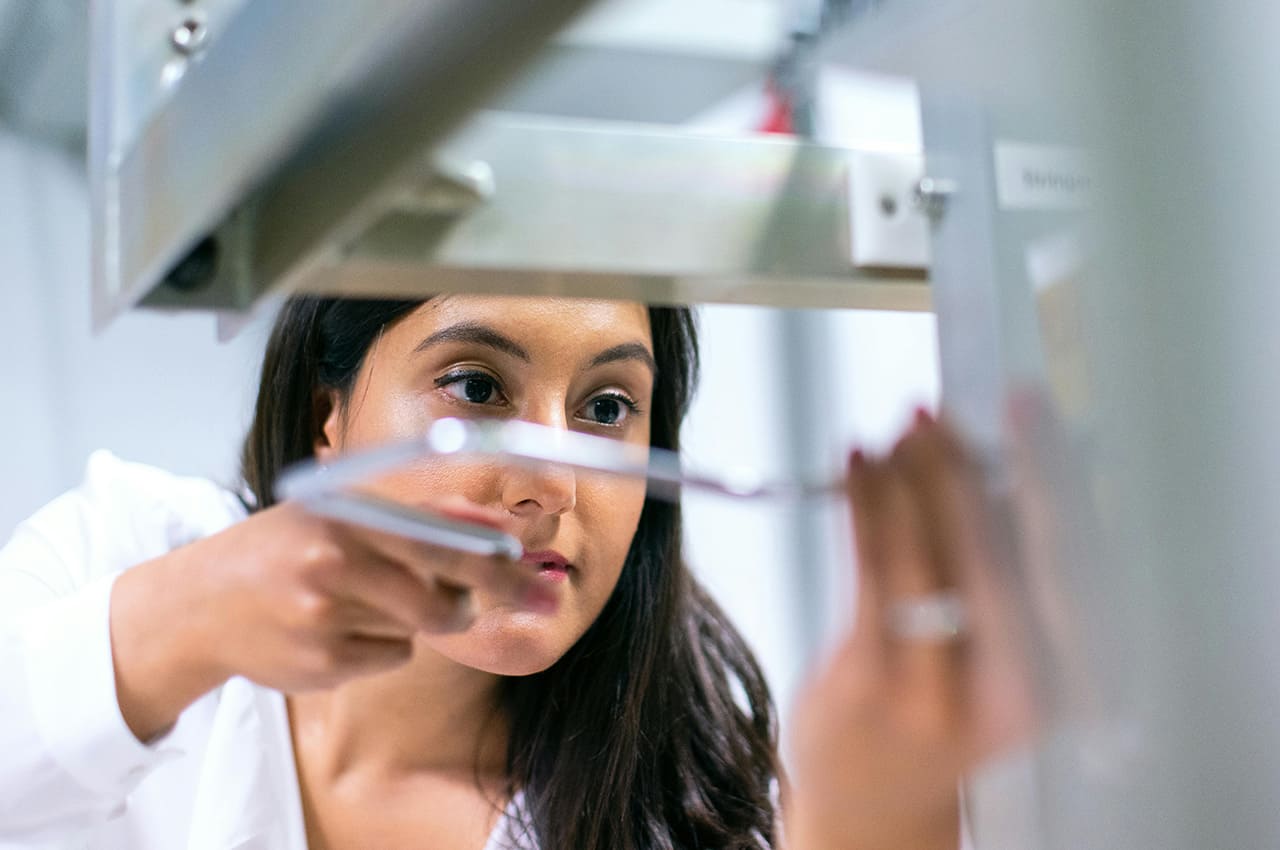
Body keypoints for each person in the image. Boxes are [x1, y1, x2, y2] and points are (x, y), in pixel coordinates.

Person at [0, 294, 1031, 850]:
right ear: (330, 417)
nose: (550, 481)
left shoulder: (696, 806)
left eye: (606, 408)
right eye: (477, 384)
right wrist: (180, 622)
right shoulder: (129, 551)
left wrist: (877, 823)